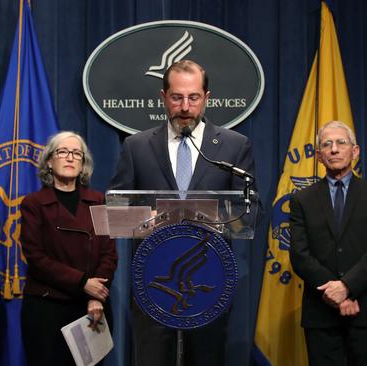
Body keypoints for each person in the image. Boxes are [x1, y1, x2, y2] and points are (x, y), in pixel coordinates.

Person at [109, 59, 256, 366]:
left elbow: (251, 208)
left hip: (209, 279)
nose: (185, 106)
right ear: (163, 97)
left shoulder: (233, 145)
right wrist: (154, 219)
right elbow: (117, 210)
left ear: (207, 97)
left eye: (193, 97)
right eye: (177, 97)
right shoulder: (136, 147)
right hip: (153, 279)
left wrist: (212, 217)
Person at [288, 120, 367, 365]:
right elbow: (300, 256)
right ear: (319, 156)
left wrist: (347, 287)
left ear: (355, 152)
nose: (334, 149)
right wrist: (336, 293)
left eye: (341, 143)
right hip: (320, 314)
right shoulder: (302, 200)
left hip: (366, 311)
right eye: (327, 144)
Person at [20, 131, 118, 366]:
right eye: (62, 152)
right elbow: (36, 257)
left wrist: (96, 298)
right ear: (49, 162)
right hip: (47, 308)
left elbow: (109, 254)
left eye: (76, 153)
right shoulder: (33, 204)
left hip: (91, 307)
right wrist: (83, 283)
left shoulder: (98, 200)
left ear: (83, 164)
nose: (70, 157)